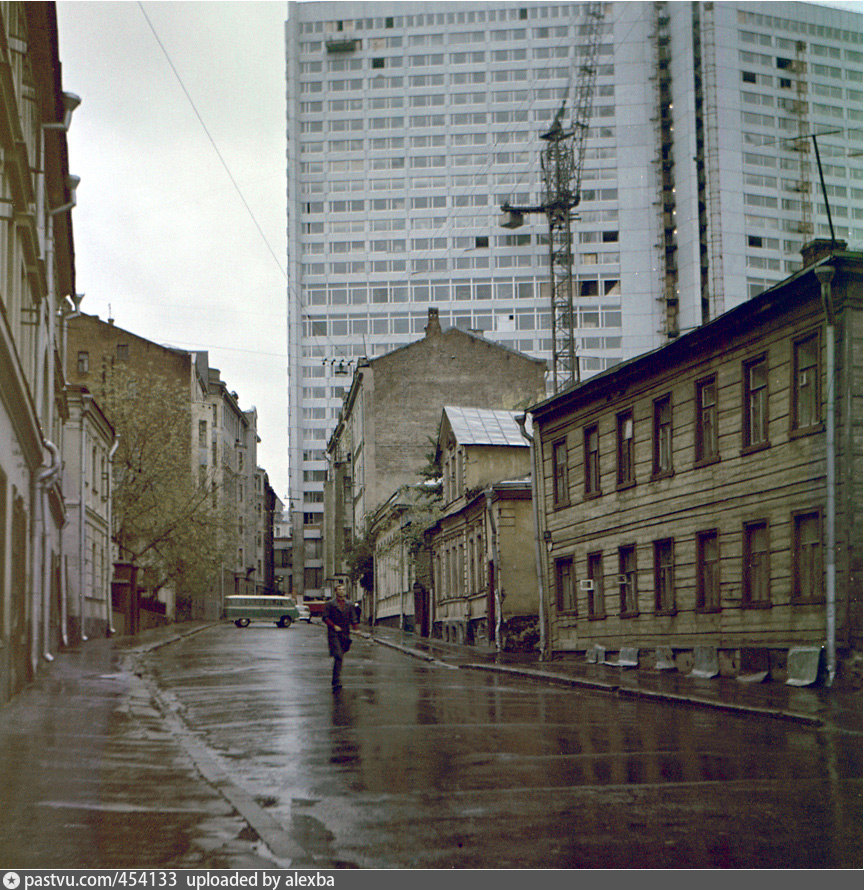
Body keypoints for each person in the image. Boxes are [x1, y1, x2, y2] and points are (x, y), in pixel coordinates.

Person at [323, 583, 358, 691]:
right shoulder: (330, 604)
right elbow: (325, 617)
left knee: (340, 657)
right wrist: (333, 626)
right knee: (338, 655)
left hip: (345, 634)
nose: (341, 591)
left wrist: (356, 628)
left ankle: (335, 679)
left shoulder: (349, 604)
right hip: (334, 633)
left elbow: (353, 617)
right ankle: (336, 681)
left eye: (343, 589)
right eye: (339, 589)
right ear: (336, 591)